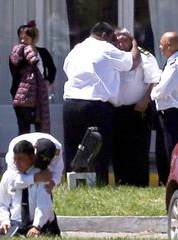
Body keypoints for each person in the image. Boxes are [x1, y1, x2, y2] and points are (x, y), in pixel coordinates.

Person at [63, 22, 141, 185]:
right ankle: (99, 183)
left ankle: (73, 184)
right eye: (113, 39)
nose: (114, 43)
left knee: (74, 147)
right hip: (95, 104)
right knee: (99, 149)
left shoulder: (77, 49)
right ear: (105, 35)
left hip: (71, 103)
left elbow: (66, 69)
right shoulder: (105, 48)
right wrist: (134, 43)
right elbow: (133, 61)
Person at [112, 28, 161, 187]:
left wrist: (145, 100)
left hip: (137, 109)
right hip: (117, 110)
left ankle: (139, 183)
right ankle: (122, 182)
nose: (120, 43)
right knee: (118, 148)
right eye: (117, 39)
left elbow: (154, 79)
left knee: (138, 149)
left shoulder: (144, 56)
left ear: (132, 40)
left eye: (124, 39)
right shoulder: (113, 55)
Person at [0, 140, 60, 238]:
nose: (16, 163)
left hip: (40, 223)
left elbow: (44, 205)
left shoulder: (43, 174)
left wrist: (37, 226)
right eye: (15, 158)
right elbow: (1, 203)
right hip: (15, 223)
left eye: (21, 159)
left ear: (32, 158)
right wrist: (4, 221)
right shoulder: (9, 175)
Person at [151, 32, 178, 182]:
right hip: (167, 114)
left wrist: (153, 91)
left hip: (175, 115)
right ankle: (165, 181)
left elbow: (163, 90)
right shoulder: (172, 62)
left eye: (161, 44)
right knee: (163, 151)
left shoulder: (177, 64)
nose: (160, 47)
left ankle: (173, 181)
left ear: (169, 45)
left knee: (172, 150)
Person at [9, 21, 56, 135]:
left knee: (40, 126)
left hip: (40, 94)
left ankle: (40, 151)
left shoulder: (43, 52)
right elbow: (15, 71)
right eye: (20, 38)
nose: (22, 41)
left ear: (33, 38)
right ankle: (23, 152)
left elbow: (52, 69)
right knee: (24, 128)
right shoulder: (17, 53)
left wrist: (47, 80)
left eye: (25, 38)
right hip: (23, 95)